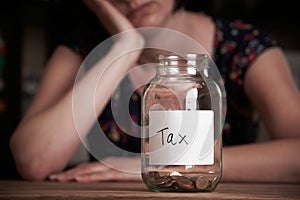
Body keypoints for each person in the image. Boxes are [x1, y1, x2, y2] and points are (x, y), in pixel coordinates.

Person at [10, 0, 300, 183]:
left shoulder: (243, 46)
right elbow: (34, 161)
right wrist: (125, 47)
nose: (133, 0)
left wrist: (147, 166)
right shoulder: (83, 51)